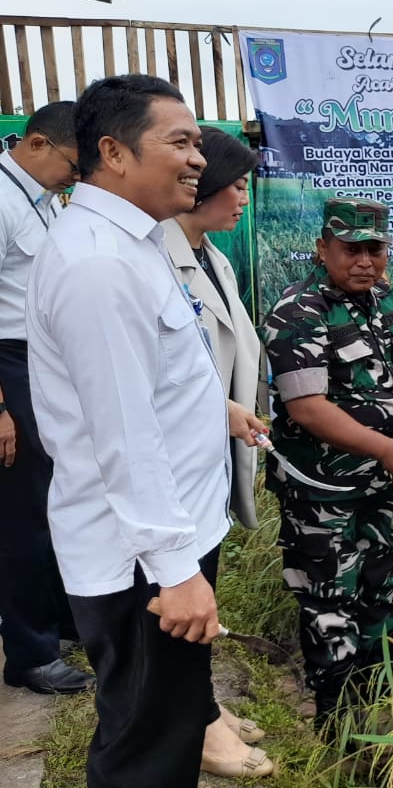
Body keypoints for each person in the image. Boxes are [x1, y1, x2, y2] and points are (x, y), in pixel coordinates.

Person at [26, 74, 267, 788]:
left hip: (169, 543)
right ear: (115, 152)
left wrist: (215, 409)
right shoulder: (99, 262)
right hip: (145, 565)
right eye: (182, 142)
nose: (199, 158)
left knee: (167, 724)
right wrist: (177, 573)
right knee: (146, 750)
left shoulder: (134, 241)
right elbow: (122, 436)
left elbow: (143, 382)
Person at [260, 197, 393, 732]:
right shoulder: (297, 313)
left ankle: (381, 707)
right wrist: (388, 448)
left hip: (372, 485)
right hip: (320, 490)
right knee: (328, 602)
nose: (365, 261)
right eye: (351, 250)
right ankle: (338, 724)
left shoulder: (383, 300)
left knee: (380, 591)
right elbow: (308, 409)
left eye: (375, 249)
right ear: (323, 249)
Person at [162, 127, 274, 777]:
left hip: (213, 458)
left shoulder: (212, 256)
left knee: (208, 582)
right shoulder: (157, 259)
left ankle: (201, 703)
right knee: (182, 596)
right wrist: (219, 411)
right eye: (236, 188)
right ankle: (194, 724)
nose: (242, 202)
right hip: (180, 461)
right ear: (201, 189)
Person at [0, 102, 92, 697]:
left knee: (58, 493)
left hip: (41, 362)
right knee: (24, 512)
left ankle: (58, 622)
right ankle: (29, 653)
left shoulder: (38, 197)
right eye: (72, 164)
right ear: (36, 144)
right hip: (9, 364)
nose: (75, 177)